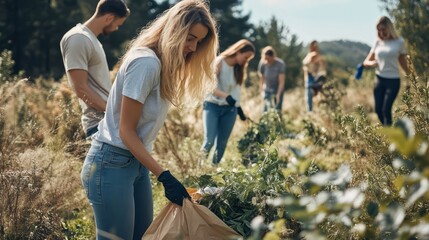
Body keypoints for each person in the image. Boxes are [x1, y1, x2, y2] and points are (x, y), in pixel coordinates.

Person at [80, 0, 218, 239]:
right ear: (175, 30)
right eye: (190, 38)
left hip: (135, 165)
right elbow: (126, 131)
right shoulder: (146, 63)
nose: (193, 48)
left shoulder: (160, 65)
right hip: (110, 164)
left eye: (199, 41)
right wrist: (165, 176)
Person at [60, 0, 130, 138]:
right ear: (109, 18)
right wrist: (112, 113)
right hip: (98, 126)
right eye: (118, 24)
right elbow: (80, 89)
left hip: (108, 123)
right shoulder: (78, 38)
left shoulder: (92, 40)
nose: (117, 28)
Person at [201, 39, 255, 165]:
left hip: (230, 110)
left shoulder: (239, 69)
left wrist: (238, 108)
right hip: (212, 106)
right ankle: (198, 170)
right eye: (246, 57)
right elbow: (209, 86)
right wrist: (226, 96)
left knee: (222, 143)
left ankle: (213, 170)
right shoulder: (220, 62)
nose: (246, 61)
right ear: (238, 51)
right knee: (209, 140)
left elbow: (235, 92)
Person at [363, 16, 409, 125]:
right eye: (379, 30)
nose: (381, 32)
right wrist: (373, 63)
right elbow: (365, 62)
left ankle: (389, 138)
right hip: (379, 79)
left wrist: (410, 80)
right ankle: (387, 134)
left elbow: (404, 64)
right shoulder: (377, 43)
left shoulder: (399, 42)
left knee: (386, 109)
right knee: (378, 110)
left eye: (383, 29)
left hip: (393, 80)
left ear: (389, 28)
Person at [258, 46, 285, 112]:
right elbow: (261, 79)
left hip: (277, 89)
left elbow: (281, 82)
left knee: (277, 110)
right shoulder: (262, 63)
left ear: (273, 56)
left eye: (269, 59)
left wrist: (278, 95)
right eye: (266, 59)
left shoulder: (280, 64)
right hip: (267, 89)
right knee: (265, 110)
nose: (267, 61)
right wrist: (262, 91)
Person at [302, 40, 326, 112]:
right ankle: (313, 113)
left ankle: (312, 113)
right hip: (309, 79)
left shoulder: (314, 55)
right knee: (312, 98)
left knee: (311, 98)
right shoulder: (310, 54)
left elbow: (308, 63)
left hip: (313, 79)